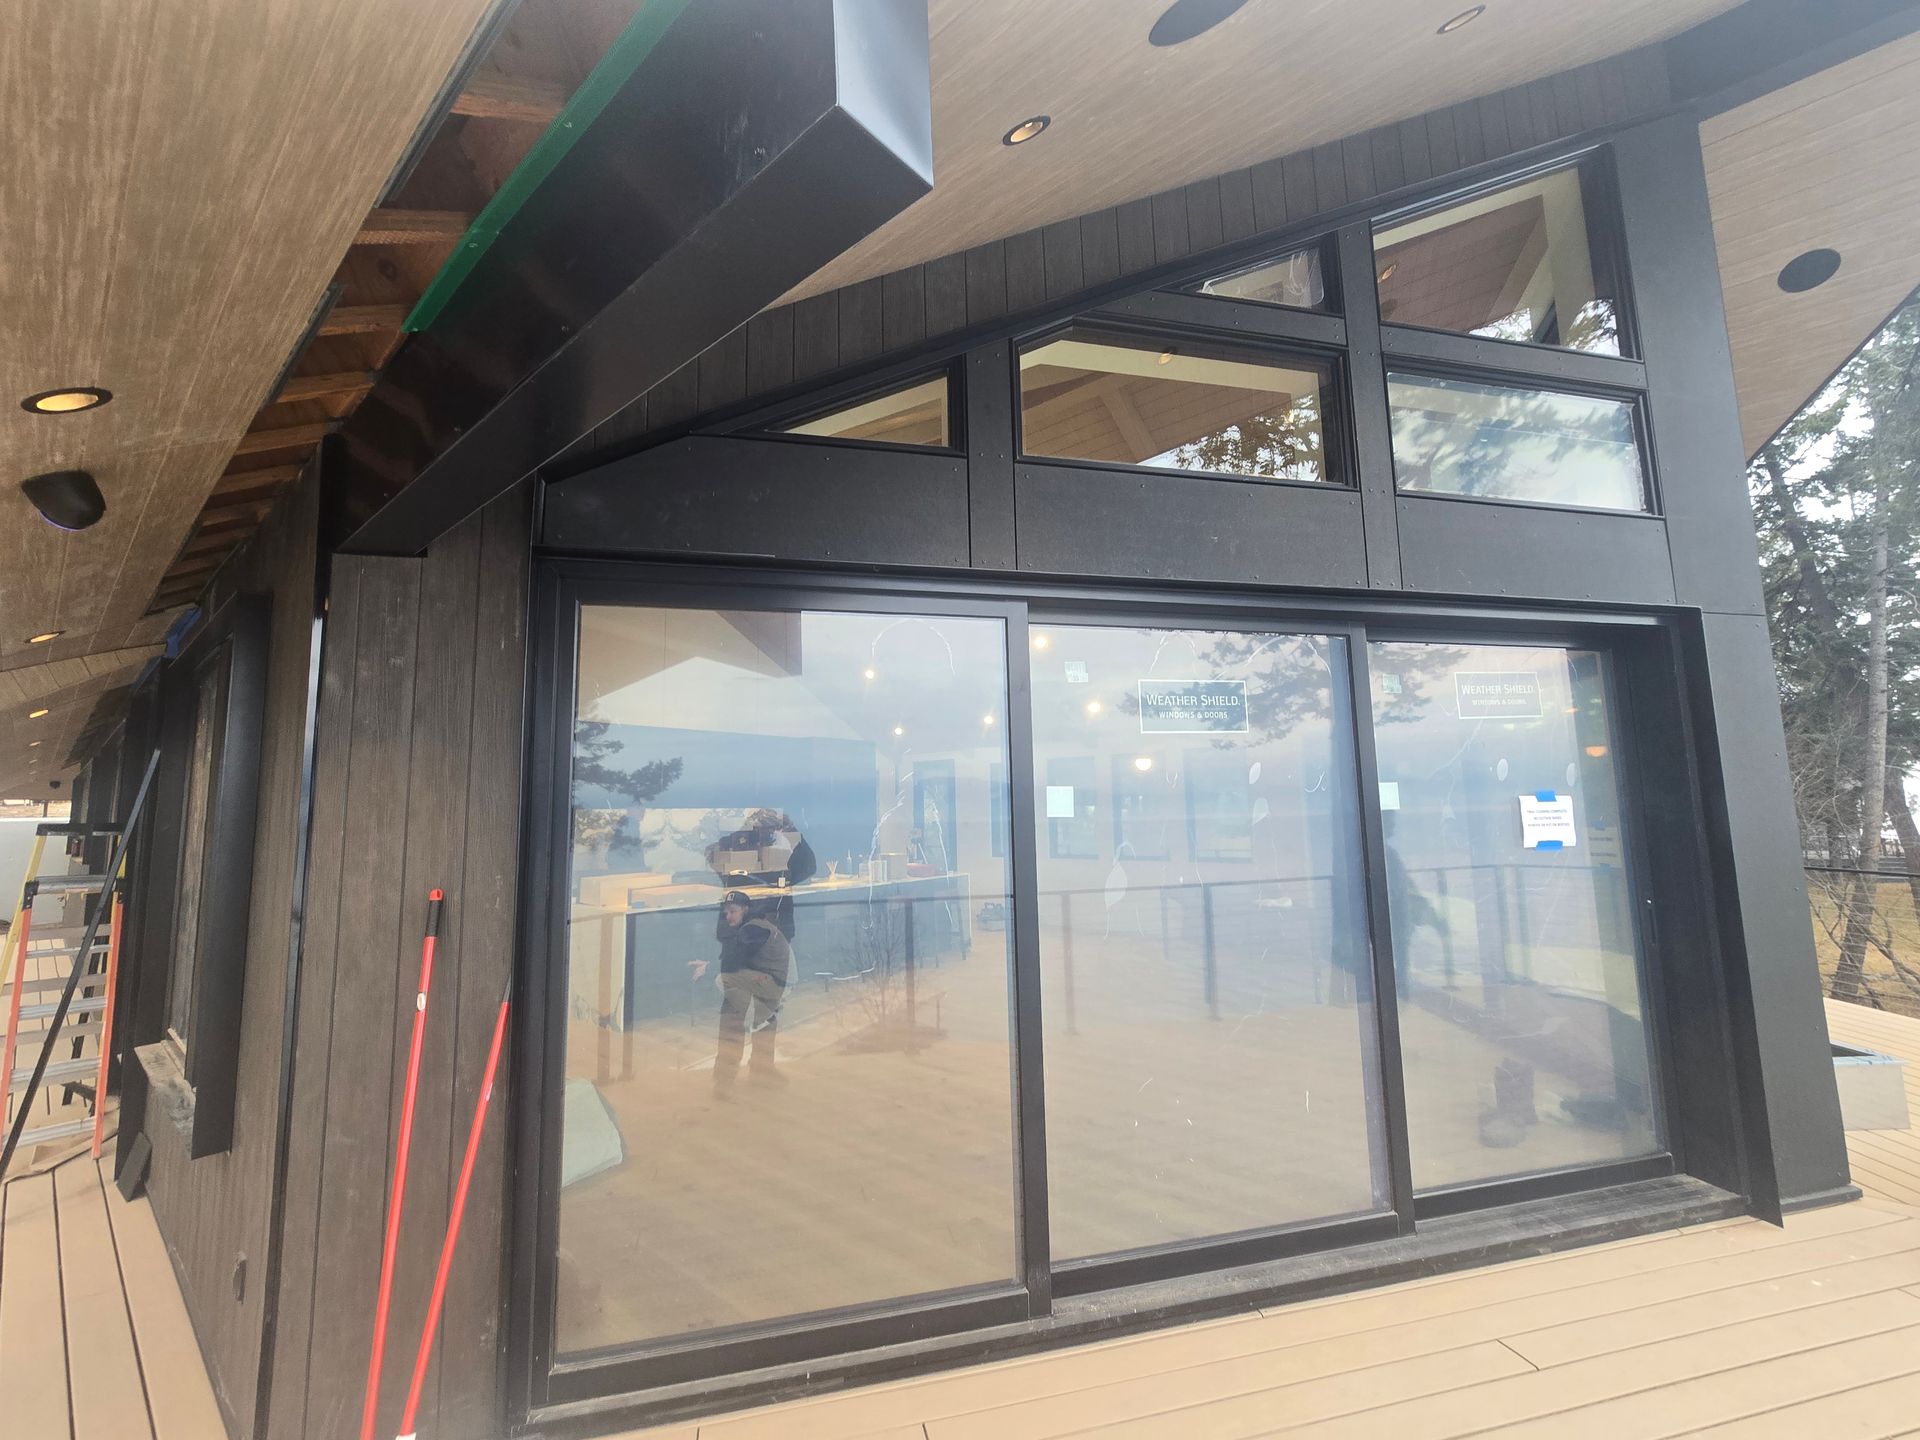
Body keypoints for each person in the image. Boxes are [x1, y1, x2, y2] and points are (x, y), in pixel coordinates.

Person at [691, 890, 792, 1094]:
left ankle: (726, 1080)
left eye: (732, 912)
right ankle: (754, 1073)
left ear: (745, 910)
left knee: (731, 1013)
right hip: (764, 983)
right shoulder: (751, 925)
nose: (728, 917)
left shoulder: (752, 929)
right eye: (725, 912)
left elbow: (731, 965)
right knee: (761, 1021)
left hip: (768, 983)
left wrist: (709, 968)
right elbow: (735, 958)